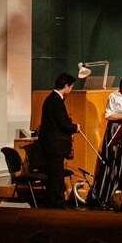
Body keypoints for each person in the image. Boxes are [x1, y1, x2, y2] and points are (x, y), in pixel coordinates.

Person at [91, 75, 122, 207]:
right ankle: (109, 194)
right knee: (113, 158)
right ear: (121, 88)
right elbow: (108, 115)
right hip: (115, 127)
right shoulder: (113, 96)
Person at [37, 72, 79, 208]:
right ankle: (58, 204)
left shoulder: (51, 99)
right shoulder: (56, 100)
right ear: (66, 86)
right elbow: (63, 124)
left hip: (51, 145)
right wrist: (75, 127)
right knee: (56, 176)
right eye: (71, 87)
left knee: (54, 175)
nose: (71, 90)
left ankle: (53, 203)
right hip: (55, 146)